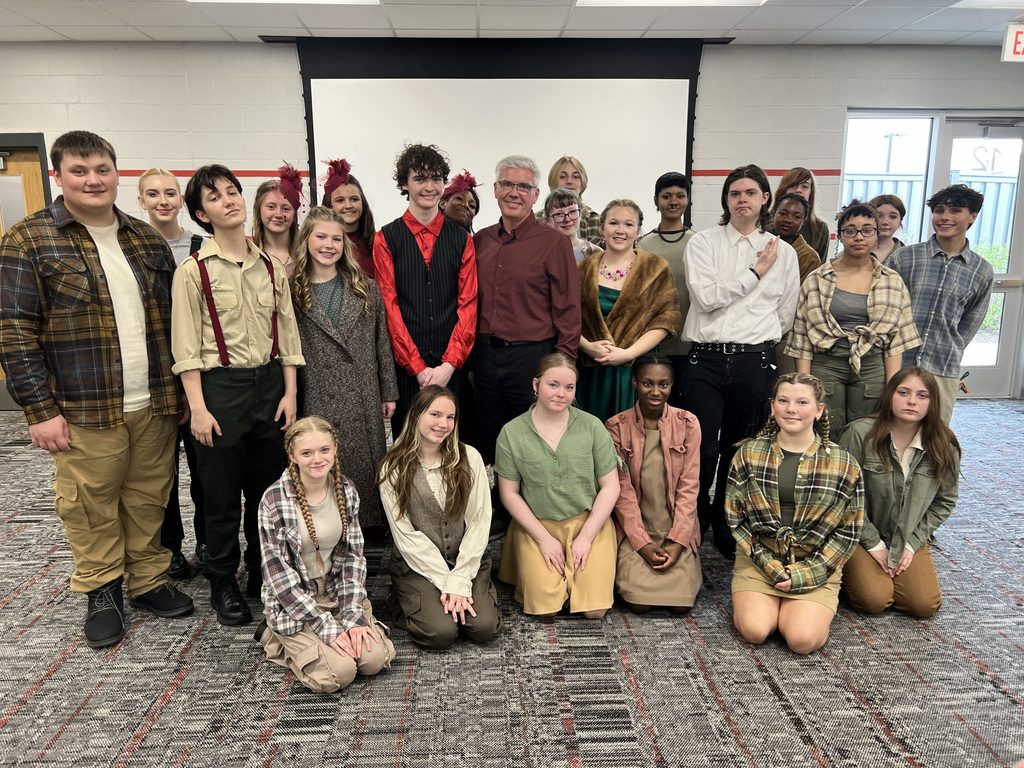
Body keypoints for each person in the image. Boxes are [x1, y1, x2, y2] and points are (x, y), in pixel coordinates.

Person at [0, 130, 194, 649]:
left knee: (148, 497)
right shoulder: (30, 239)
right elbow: (14, 329)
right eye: (80, 171)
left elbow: (174, 323)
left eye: (102, 169)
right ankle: (102, 589)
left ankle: (148, 579)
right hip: (83, 406)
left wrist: (177, 393)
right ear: (57, 176)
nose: (92, 180)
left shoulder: (144, 239)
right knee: (89, 502)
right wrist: (39, 409)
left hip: (152, 399)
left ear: (115, 173)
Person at [173, 164, 305, 625]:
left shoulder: (271, 267)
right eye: (215, 197)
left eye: (233, 192)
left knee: (267, 489)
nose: (229, 200)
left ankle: (261, 570)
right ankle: (222, 579)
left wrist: (289, 394)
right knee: (222, 491)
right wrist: (198, 409)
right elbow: (186, 348)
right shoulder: (192, 272)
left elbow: (288, 334)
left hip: (270, 386)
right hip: (219, 389)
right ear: (201, 214)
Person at [680, 164, 801, 559]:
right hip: (705, 360)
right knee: (700, 450)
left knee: (738, 448)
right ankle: (693, 521)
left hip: (753, 360)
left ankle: (727, 520)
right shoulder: (703, 242)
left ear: (765, 198)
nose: (742, 199)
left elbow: (785, 314)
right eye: (734, 193)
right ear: (726, 200)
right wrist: (753, 273)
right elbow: (706, 299)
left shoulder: (782, 252)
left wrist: (754, 333)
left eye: (750, 192)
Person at [727, 373, 864, 655]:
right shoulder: (747, 454)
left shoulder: (844, 463)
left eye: (802, 402)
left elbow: (849, 531)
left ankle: (798, 609)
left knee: (802, 641)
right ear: (772, 406)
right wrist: (768, 565)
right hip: (759, 558)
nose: (791, 409)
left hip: (816, 561)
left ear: (819, 410)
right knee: (755, 631)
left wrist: (805, 574)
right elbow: (735, 519)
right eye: (783, 401)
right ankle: (771, 605)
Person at [256, 417, 394, 693]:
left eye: (324, 450)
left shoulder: (346, 490)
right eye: (307, 453)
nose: (317, 459)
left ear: (334, 450)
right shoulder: (273, 501)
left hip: (335, 592)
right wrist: (326, 628)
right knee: (337, 676)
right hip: (296, 599)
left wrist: (353, 617)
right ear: (293, 456)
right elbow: (280, 581)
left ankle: (323, 640)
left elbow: (354, 558)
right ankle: (273, 637)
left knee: (374, 661)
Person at [290, 206, 398, 530]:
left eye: (336, 238)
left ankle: (370, 525)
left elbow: (382, 341)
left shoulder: (364, 285)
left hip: (363, 391)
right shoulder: (293, 290)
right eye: (320, 236)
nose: (329, 244)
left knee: (367, 465)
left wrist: (388, 389)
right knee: (323, 462)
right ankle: (330, 528)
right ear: (306, 240)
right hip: (317, 390)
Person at [473, 155, 581, 465]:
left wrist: (563, 368)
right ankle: (500, 506)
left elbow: (569, 311)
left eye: (524, 186)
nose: (514, 192)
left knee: (534, 442)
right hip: (485, 358)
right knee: (493, 439)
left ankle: (532, 510)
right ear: (495, 189)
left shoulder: (553, 243)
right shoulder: (481, 241)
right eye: (507, 184)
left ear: (535, 195)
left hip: (532, 358)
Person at [495, 353, 620, 618]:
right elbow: (509, 493)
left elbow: (610, 487)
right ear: (535, 385)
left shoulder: (593, 426)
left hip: (588, 522)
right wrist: (542, 538)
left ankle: (576, 581)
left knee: (594, 611)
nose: (561, 393)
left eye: (569, 387)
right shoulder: (511, 432)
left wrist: (586, 537)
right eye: (553, 385)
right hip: (537, 524)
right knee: (544, 611)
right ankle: (550, 578)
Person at [377, 386, 501, 649]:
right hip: (417, 563)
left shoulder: (470, 457)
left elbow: (480, 520)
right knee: (440, 633)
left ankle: (459, 596)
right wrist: (449, 584)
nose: (443, 424)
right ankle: (400, 602)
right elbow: (405, 536)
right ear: (416, 415)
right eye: (435, 414)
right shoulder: (392, 467)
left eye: (450, 417)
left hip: (464, 557)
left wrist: (461, 577)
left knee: (483, 628)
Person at [785, 200, 921, 434]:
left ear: (876, 234)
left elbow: (896, 340)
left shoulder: (891, 280)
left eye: (867, 230)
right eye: (851, 231)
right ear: (841, 235)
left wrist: (892, 386)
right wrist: (804, 386)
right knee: (826, 430)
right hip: (827, 361)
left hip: (871, 364)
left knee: (868, 430)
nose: (859, 237)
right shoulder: (818, 278)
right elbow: (801, 339)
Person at [373, 143, 477, 435]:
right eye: (420, 178)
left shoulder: (462, 240)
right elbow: (389, 307)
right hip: (406, 371)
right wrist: (416, 367)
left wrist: (449, 365)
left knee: (451, 449)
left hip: (451, 368)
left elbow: (468, 306)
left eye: (436, 179)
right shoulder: (386, 238)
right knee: (408, 449)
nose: (429, 187)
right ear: (405, 184)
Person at [838, 367, 960, 618]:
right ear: (889, 395)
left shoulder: (944, 444)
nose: (912, 401)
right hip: (860, 533)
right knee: (873, 600)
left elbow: (944, 501)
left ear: (933, 402)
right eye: (903, 392)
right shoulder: (859, 433)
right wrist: (873, 544)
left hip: (907, 535)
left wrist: (912, 544)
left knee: (923, 606)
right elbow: (842, 497)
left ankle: (890, 572)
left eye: (922, 395)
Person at [137, 167, 206, 578]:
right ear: (140, 202)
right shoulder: (132, 248)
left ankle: (207, 543)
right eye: (152, 194)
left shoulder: (201, 247)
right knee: (160, 474)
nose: (162, 200)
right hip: (153, 377)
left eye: (170, 193)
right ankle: (170, 549)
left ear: (181, 200)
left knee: (204, 473)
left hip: (197, 375)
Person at [887, 184, 994, 424]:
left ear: (973, 217)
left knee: (934, 441)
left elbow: (969, 324)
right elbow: (885, 309)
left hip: (943, 366)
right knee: (888, 433)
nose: (944, 217)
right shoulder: (905, 258)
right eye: (939, 210)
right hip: (897, 364)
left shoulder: (981, 270)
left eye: (955, 210)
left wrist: (946, 346)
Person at [605, 354, 702, 614]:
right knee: (639, 604)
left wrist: (678, 541)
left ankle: (682, 554)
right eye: (648, 383)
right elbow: (621, 492)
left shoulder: (688, 423)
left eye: (664, 384)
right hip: (635, 528)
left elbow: (689, 488)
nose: (656, 391)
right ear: (635, 382)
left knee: (681, 606)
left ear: (672, 385)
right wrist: (642, 544)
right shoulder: (616, 426)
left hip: (675, 526)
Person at [578, 199, 682, 424]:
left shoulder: (656, 268)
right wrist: (587, 347)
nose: (620, 230)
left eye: (628, 224)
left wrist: (627, 354)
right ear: (602, 227)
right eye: (614, 223)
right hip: (591, 370)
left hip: (636, 371)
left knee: (634, 441)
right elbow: (565, 318)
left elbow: (665, 321)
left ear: (638, 230)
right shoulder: (582, 270)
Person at [637, 172, 695, 398]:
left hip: (690, 345)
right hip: (654, 345)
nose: (673, 202)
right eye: (666, 196)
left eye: (680, 196)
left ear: (687, 199)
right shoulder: (643, 245)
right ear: (655, 200)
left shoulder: (698, 243)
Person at [323, 159, 377, 278]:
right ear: (328, 204)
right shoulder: (321, 246)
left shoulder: (377, 243)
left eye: (354, 199)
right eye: (340, 200)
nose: (348, 206)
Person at [535, 155, 601, 244]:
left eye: (576, 177)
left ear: (583, 182)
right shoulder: (536, 221)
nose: (569, 181)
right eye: (562, 176)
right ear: (553, 181)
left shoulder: (596, 220)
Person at [251, 164, 302, 276]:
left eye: (286, 208)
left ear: (294, 216)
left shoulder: (306, 256)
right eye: (271, 207)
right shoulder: (248, 256)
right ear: (259, 211)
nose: (278, 214)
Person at [773, 167, 831, 263]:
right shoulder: (765, 223)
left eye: (805, 186)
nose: (798, 190)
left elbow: (819, 268)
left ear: (811, 191)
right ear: (784, 188)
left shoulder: (820, 229)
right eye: (793, 185)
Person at [770, 193, 820, 284]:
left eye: (796, 217)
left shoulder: (809, 257)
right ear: (774, 213)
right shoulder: (760, 243)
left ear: (803, 221)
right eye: (783, 213)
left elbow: (804, 294)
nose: (788, 220)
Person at [544, 188, 601, 263]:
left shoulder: (596, 253)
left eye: (572, 211)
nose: (567, 219)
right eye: (559, 214)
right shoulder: (540, 253)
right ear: (548, 221)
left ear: (580, 214)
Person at [868, 193, 907, 262]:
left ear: (900, 221)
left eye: (892, 217)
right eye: (879, 216)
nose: (885, 222)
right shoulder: (855, 251)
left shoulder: (907, 255)